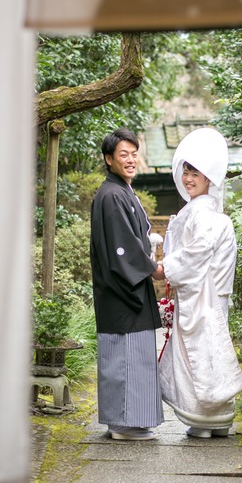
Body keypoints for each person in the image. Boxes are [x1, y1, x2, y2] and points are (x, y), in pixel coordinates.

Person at [157, 127, 242, 438]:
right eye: (186, 171)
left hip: (200, 295)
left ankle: (202, 418)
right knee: (213, 351)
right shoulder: (213, 213)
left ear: (210, 178)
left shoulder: (201, 214)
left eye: (196, 173)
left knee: (196, 354)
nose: (188, 178)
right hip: (213, 294)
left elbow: (196, 253)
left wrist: (163, 268)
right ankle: (220, 419)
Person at [89, 129, 167, 440]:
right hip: (122, 292)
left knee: (133, 357)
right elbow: (123, 247)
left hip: (127, 290)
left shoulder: (121, 192)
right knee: (124, 357)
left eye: (134, 153)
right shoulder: (111, 196)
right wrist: (153, 268)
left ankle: (129, 420)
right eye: (123, 154)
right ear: (109, 160)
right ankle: (123, 423)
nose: (131, 159)